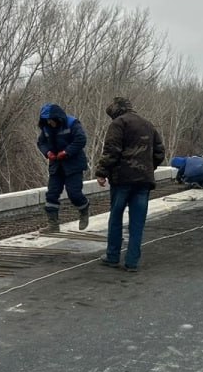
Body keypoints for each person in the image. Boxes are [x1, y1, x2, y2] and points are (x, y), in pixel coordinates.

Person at [94, 96, 165, 272]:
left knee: (116, 217)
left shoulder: (118, 124)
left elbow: (112, 150)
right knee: (137, 222)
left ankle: (112, 256)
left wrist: (102, 172)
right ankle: (132, 262)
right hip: (143, 181)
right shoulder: (148, 124)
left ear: (117, 110)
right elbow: (159, 152)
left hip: (122, 179)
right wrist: (147, 167)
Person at [37, 103, 90, 231]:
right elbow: (41, 143)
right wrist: (47, 152)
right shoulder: (46, 128)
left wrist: (66, 152)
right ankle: (53, 225)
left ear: (57, 118)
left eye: (51, 120)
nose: (50, 123)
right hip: (56, 165)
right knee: (52, 194)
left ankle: (84, 209)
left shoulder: (72, 124)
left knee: (74, 193)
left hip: (74, 164)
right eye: (47, 121)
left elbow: (81, 140)